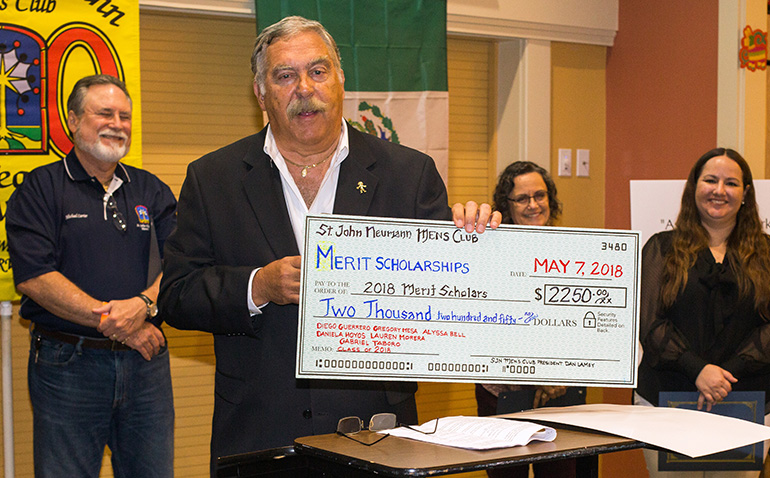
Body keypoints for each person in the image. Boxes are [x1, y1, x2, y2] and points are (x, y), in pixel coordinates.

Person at [157, 15, 500, 474]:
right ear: (260, 92)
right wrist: (258, 287)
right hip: (259, 435)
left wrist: (477, 246)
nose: (304, 87)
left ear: (340, 80)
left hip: (380, 436)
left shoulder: (409, 174)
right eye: (284, 75)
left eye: (318, 71)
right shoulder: (213, 178)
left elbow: (455, 300)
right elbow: (177, 294)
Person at [6, 74, 176, 478]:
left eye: (125, 116)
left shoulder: (151, 190)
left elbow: (183, 262)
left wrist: (145, 304)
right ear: (72, 120)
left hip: (146, 368)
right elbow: (34, 276)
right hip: (68, 365)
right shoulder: (40, 187)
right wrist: (120, 324)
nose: (117, 123)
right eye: (104, 113)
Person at [634, 148, 770, 478]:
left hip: (747, 402)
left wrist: (725, 375)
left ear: (746, 193)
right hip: (666, 397)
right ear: (694, 185)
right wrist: (698, 370)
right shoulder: (660, 247)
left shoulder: (767, 253)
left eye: (731, 183)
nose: (719, 190)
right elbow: (650, 325)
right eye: (710, 180)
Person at [476, 160, 580, 478]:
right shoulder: (486, 254)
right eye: (522, 198)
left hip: (562, 395)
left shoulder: (577, 252)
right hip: (502, 393)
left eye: (540, 195)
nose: (533, 204)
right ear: (506, 205)